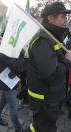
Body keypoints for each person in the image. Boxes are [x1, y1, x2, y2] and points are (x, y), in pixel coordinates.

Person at [26, 2, 71, 132]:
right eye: (62, 17)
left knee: (39, 127)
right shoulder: (43, 41)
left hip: (50, 98)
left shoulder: (52, 37)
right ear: (51, 18)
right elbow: (50, 73)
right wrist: (67, 60)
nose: (65, 20)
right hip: (45, 101)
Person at [0, 52, 24, 132]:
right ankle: (18, 129)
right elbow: (18, 68)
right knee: (14, 106)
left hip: (9, 83)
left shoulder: (10, 53)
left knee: (3, 101)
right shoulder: (6, 54)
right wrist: (21, 56)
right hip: (8, 85)